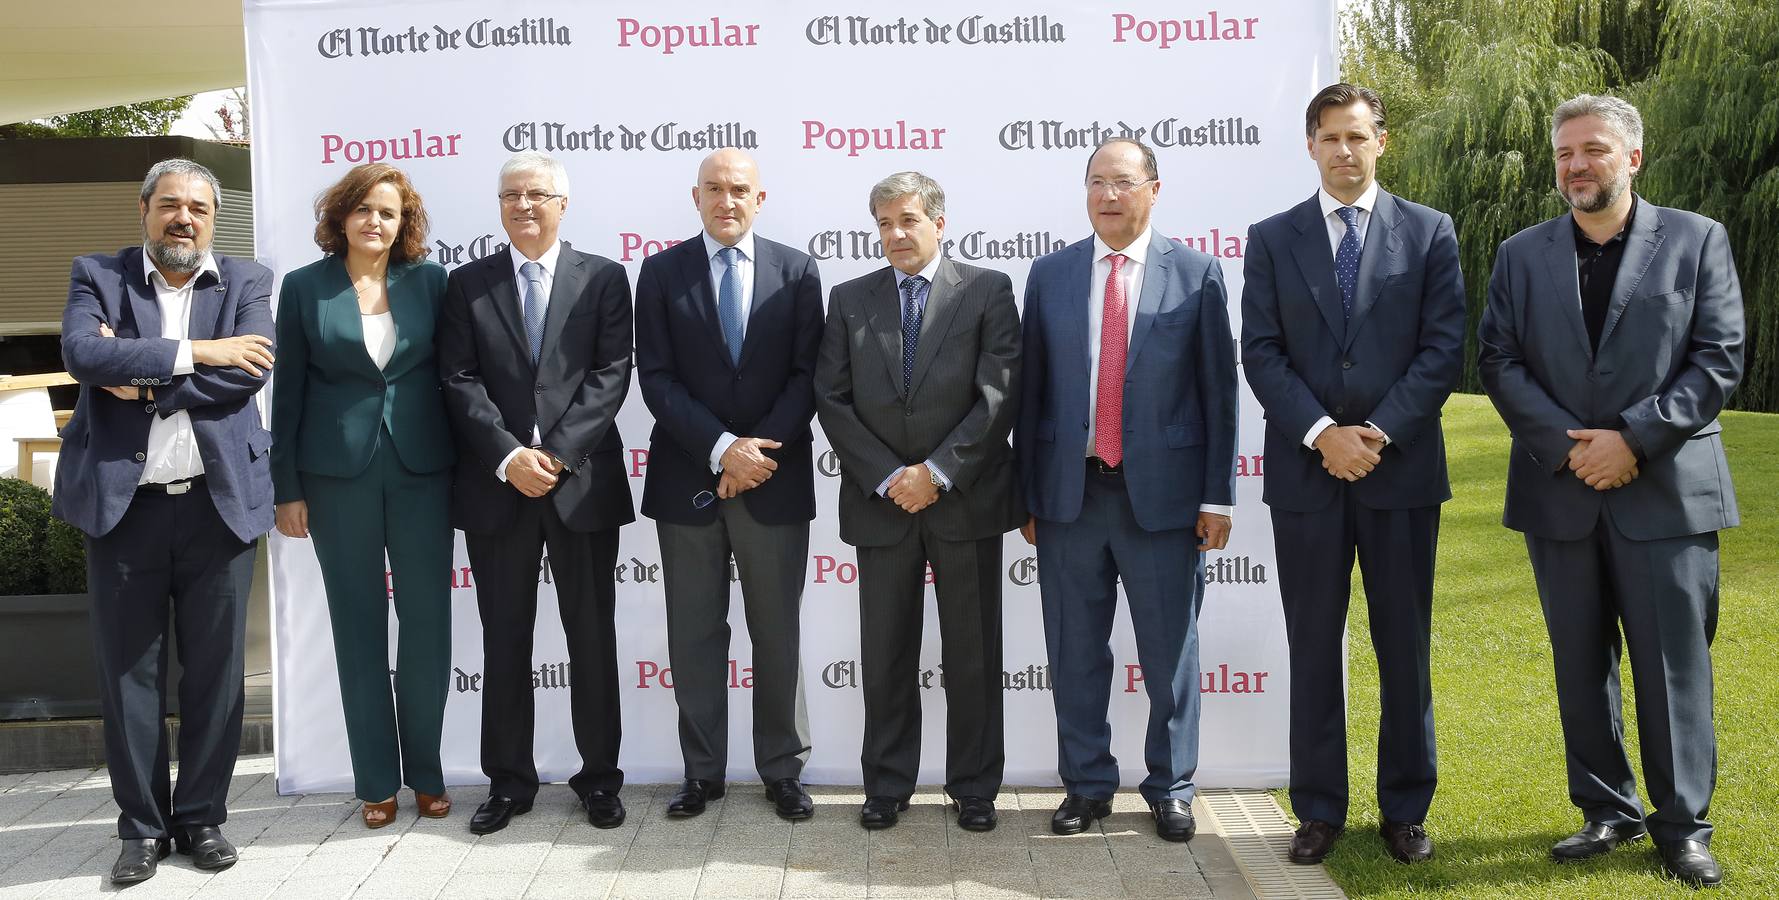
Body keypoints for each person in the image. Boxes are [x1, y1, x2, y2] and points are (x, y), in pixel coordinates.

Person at [1478, 94, 1743, 888]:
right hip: (1559, 492)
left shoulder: (1696, 240)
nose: (1574, 167)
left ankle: (1681, 825)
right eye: (1563, 154)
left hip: (1664, 492)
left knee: (1673, 665)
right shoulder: (1520, 254)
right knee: (1577, 660)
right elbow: (1497, 360)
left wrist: (1633, 437)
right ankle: (1605, 809)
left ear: (1630, 157)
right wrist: (1571, 449)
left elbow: (1717, 356)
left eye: (1591, 150)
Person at [1240, 83, 1467, 865]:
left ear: (1381, 141)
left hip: (1398, 472)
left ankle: (1404, 810)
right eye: (1329, 136)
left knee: (1403, 644)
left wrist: (1373, 434)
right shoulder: (1271, 239)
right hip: (1307, 477)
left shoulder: (1430, 232)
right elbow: (1261, 352)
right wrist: (1319, 434)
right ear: (1309, 145)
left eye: (1357, 136)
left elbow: (1442, 349)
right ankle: (1318, 809)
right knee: (1311, 643)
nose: (1344, 150)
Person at [53, 158, 275, 883]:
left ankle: (202, 818)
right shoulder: (98, 273)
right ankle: (141, 829)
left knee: (216, 674)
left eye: (199, 209)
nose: (185, 218)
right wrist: (195, 351)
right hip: (125, 509)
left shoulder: (246, 282)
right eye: (171, 205)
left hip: (216, 508)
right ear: (143, 209)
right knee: (128, 676)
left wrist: (140, 378)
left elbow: (249, 373)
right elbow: (83, 353)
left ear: (214, 218)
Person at [1015, 137, 1237, 843]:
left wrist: (1216, 497)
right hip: (1068, 497)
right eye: (1095, 182)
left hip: (1164, 504)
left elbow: (1217, 394)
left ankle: (1169, 787)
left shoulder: (1196, 274)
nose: (1107, 195)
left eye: (1122, 182)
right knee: (1074, 652)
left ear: (1154, 189)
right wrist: (1026, 492)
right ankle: (1085, 786)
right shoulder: (1048, 276)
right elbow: (1030, 395)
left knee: (1169, 653)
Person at [815, 171, 1021, 832]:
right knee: (886, 654)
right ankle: (886, 785)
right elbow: (832, 399)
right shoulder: (849, 300)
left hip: (963, 502)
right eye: (883, 223)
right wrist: (888, 476)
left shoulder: (987, 290)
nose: (895, 235)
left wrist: (936, 472)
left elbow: (998, 395)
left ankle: (974, 786)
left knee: (972, 653)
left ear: (938, 221)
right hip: (881, 506)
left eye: (906, 220)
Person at [438, 151, 636, 834]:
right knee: (505, 641)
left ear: (562, 204)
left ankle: (600, 779)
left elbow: (611, 373)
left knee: (591, 637)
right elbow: (457, 379)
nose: (522, 205)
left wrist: (551, 454)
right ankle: (509, 782)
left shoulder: (604, 278)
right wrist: (507, 456)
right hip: (498, 489)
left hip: (579, 485)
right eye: (509, 195)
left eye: (536, 194)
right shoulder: (466, 284)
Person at [636, 149, 824, 820]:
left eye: (739, 189)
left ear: (760, 197)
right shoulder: (660, 273)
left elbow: (808, 375)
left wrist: (754, 456)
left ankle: (782, 770)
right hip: (688, 480)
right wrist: (721, 450)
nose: (727, 200)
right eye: (713, 189)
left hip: (772, 481)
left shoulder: (797, 272)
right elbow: (655, 377)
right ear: (695, 197)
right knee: (693, 635)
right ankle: (701, 773)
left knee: (776, 633)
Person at [270, 163, 456, 828]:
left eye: (389, 213)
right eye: (365, 210)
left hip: (422, 472)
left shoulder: (431, 283)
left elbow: (453, 379)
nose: (376, 222)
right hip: (334, 477)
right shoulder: (303, 289)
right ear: (341, 216)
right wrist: (284, 488)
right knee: (358, 627)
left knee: (428, 625)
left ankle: (428, 774)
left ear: (403, 223)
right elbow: (285, 391)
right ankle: (376, 781)